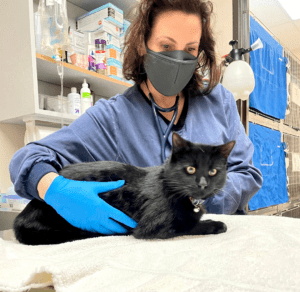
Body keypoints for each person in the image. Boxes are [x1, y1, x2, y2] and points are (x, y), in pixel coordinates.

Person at [9, 0, 263, 235]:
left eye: (190, 49)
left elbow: (247, 173)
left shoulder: (219, 101)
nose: (178, 58)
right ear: (143, 44)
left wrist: (201, 197)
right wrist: (54, 189)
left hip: (218, 239)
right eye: (166, 46)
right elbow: (29, 158)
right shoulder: (111, 118)